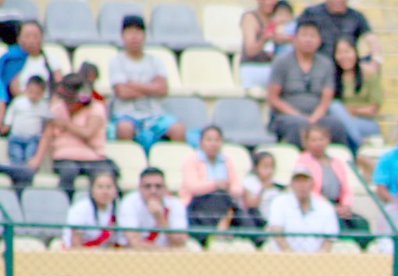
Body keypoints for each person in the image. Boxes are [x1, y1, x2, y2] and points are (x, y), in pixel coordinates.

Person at [109, 16, 184, 150]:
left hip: (155, 116)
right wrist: (151, 87)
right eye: (130, 32)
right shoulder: (117, 61)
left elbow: (163, 89)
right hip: (126, 115)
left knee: (178, 129)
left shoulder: (155, 61)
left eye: (138, 32)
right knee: (124, 129)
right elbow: (122, 92)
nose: (134, 37)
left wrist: (132, 84)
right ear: (122, 36)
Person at [267, 21, 345, 148]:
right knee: (298, 126)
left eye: (313, 36)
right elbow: (273, 98)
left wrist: (314, 118)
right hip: (288, 115)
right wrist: (299, 116)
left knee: (336, 125)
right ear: (295, 39)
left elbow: (327, 98)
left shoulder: (326, 64)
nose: (308, 40)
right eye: (304, 35)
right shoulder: (281, 62)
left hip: (318, 115)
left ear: (319, 40)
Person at [41, 73, 112, 198]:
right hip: (65, 156)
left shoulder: (96, 108)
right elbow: (47, 136)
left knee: (105, 177)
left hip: (93, 157)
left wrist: (65, 124)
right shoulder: (57, 108)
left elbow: (87, 133)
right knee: (68, 172)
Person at [294, 120, 367, 237]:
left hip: (340, 206)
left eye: (321, 139)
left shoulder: (337, 162)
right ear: (306, 143)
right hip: (318, 208)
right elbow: (309, 191)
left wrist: (345, 206)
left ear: (328, 140)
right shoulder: (303, 162)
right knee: (340, 227)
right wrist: (331, 207)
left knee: (361, 224)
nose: (318, 143)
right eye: (314, 140)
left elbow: (346, 189)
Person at [182, 125, 250, 233]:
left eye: (217, 140)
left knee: (234, 206)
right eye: (209, 140)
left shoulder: (226, 161)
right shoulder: (192, 160)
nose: (213, 144)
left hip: (224, 200)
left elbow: (237, 188)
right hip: (198, 203)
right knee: (219, 199)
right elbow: (192, 187)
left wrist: (228, 189)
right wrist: (216, 185)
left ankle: (258, 241)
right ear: (201, 142)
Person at [266, 163, 339, 252]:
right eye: (298, 181)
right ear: (291, 184)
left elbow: (329, 240)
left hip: (316, 261)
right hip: (284, 260)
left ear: (312, 184)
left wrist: (317, 261)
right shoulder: (279, 203)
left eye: (305, 181)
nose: (301, 185)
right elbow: (276, 231)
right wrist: (291, 255)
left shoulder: (326, 207)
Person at [329, 36, 383, 150]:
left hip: (366, 123)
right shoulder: (333, 77)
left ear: (355, 52)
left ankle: (357, 144)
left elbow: (373, 110)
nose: (344, 56)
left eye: (347, 52)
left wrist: (350, 111)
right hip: (341, 124)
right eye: (339, 53)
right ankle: (358, 143)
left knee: (336, 108)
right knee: (335, 110)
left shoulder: (368, 74)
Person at [119, 167, 190, 250]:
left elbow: (180, 242)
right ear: (139, 188)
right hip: (136, 255)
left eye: (158, 186)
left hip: (169, 256)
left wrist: (160, 218)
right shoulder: (129, 203)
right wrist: (163, 252)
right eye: (147, 186)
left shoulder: (175, 204)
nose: (153, 191)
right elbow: (134, 242)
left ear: (165, 188)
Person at [61, 169, 126, 250]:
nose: (105, 192)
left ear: (116, 190)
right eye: (100, 187)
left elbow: (119, 244)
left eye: (109, 187)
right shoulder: (80, 209)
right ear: (92, 190)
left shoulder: (119, 210)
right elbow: (75, 244)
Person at [241, 0, 296, 91]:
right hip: (254, 67)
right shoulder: (250, 18)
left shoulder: (281, 18)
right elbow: (250, 51)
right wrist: (264, 39)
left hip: (275, 68)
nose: (270, 2)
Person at [300, 0, 377, 61]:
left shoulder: (356, 17)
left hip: (345, 67)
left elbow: (372, 40)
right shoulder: (312, 13)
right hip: (317, 65)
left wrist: (376, 60)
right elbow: (293, 34)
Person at [2, 74, 49, 169]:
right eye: (31, 92)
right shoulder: (18, 102)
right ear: (26, 89)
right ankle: (17, 176)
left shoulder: (43, 105)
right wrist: (6, 126)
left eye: (37, 93)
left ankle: (27, 175)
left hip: (33, 138)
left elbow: (46, 123)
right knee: (16, 156)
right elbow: (10, 115)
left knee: (30, 158)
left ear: (43, 93)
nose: (34, 95)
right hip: (16, 137)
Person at [242, 150, 283, 224]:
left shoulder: (277, 185)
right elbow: (251, 205)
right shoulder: (249, 182)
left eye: (271, 167)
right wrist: (263, 190)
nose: (269, 171)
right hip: (257, 219)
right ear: (256, 168)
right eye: (265, 167)